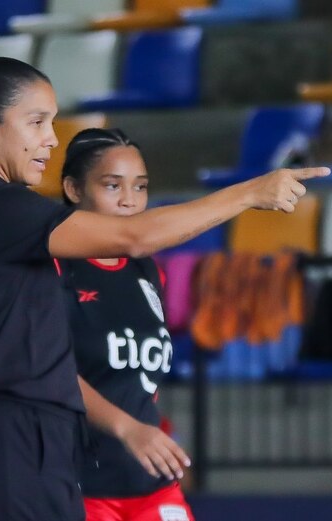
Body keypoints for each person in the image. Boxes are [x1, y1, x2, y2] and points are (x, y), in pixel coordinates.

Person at [0, 57, 327, 521]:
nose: (51, 138)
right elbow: (134, 236)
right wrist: (248, 193)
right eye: (37, 122)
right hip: (12, 451)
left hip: (8, 451)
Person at [57, 128, 194, 521]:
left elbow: (137, 383)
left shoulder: (147, 269)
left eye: (140, 187)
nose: (130, 201)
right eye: (112, 186)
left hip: (149, 483)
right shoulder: (53, 267)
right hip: (80, 485)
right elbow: (49, 371)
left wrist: (158, 437)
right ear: (73, 188)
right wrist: (127, 429)